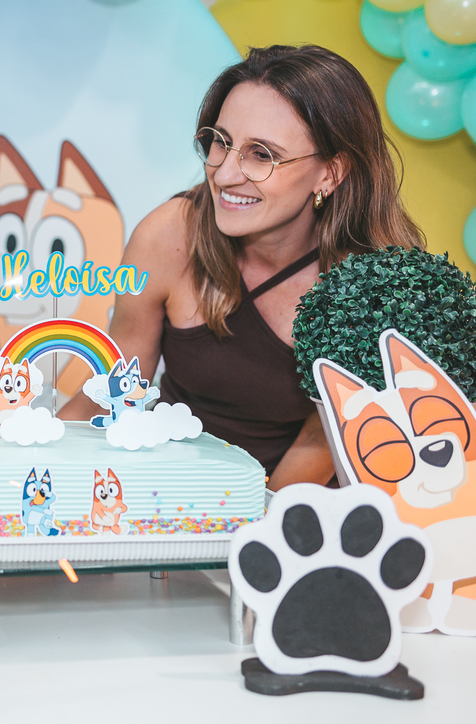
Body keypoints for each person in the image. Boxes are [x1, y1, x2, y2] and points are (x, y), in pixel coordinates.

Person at [60, 44, 424, 488]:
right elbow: (110, 390)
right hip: (166, 491)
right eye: (222, 142)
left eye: (262, 154)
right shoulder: (169, 235)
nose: (225, 174)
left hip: (289, 507)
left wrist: (236, 525)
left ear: (330, 173)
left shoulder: (369, 285)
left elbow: (321, 444)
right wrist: (24, 458)